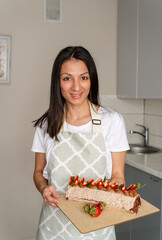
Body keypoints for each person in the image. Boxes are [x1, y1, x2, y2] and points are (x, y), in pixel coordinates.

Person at [31, 46, 130, 240]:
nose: (76, 87)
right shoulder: (46, 125)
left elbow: (118, 177)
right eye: (67, 78)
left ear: (91, 80)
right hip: (54, 227)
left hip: (97, 227)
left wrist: (103, 198)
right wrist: (43, 188)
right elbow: (38, 173)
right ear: (57, 82)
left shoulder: (112, 121)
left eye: (83, 77)